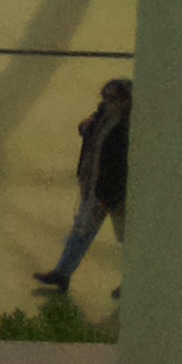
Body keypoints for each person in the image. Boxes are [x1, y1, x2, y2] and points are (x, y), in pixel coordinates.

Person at [36, 77, 131, 289]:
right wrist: (86, 125)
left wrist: (110, 197)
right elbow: (85, 130)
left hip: (115, 194)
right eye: (105, 97)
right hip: (95, 187)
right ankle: (62, 273)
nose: (107, 102)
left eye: (113, 98)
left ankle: (130, 282)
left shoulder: (127, 128)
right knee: (81, 231)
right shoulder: (103, 116)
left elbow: (120, 167)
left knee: (128, 238)